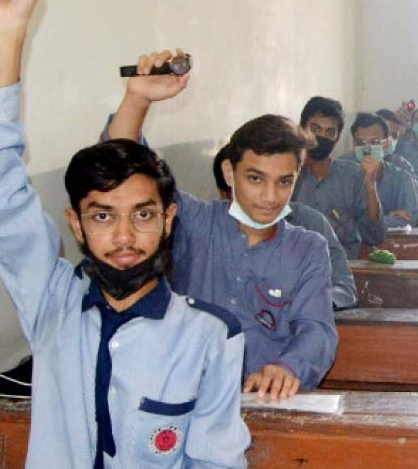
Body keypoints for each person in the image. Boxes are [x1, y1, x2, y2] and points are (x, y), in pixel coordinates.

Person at [0, 0, 249, 468]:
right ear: (75, 224)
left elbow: (215, 461)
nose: (122, 235)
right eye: (100, 215)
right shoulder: (54, 306)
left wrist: (135, 104)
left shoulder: (210, 336)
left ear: (168, 220)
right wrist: (7, 36)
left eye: (142, 215)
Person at [105, 63, 338, 399]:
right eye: (255, 179)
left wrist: (288, 368)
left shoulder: (308, 248)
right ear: (229, 173)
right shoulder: (193, 221)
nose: (270, 197)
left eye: (284, 181)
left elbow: (317, 330)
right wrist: (137, 99)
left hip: (262, 403)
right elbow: (126, 169)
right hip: (183, 398)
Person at [213, 144, 357, 308]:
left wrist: (310, 304)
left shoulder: (311, 223)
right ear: (224, 194)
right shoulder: (207, 235)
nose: (268, 199)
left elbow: (344, 287)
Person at [292, 96, 386, 260]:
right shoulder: (286, 175)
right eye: (315, 129)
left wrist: (371, 187)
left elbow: (374, 236)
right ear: (302, 129)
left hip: (342, 268)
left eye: (330, 132)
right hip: (295, 265)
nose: (321, 137)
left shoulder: (352, 175)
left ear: (337, 137)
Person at [349, 113, 418, 228]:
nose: (367, 149)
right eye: (360, 143)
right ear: (353, 144)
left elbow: (409, 219)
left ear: (385, 144)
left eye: (374, 142)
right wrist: (388, 218)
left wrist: (369, 222)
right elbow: (340, 222)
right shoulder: (343, 176)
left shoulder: (402, 178)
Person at [375, 108, 418, 203]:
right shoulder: (351, 162)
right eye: (386, 134)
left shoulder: (401, 164)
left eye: (394, 135)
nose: (389, 139)